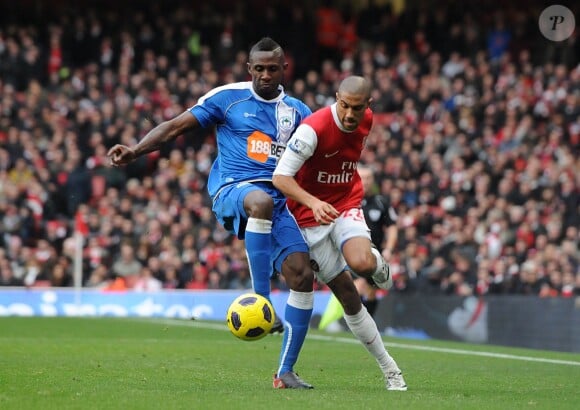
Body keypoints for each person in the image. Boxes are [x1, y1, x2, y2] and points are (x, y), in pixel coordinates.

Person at [108, 37, 315, 389]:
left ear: (284, 69)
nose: (265, 75)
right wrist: (137, 150)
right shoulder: (227, 98)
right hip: (233, 190)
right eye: (259, 68)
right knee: (259, 202)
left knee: (302, 275)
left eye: (272, 68)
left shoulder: (299, 112)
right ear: (249, 69)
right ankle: (260, 298)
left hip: (278, 202)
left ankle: (285, 372)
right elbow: (174, 126)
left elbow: (318, 157)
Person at [272, 75, 407, 391]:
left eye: (357, 108)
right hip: (310, 217)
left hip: (345, 204)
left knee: (361, 264)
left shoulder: (367, 120)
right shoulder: (313, 129)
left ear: (367, 106)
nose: (349, 114)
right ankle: (391, 369)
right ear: (336, 97)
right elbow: (280, 177)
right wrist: (313, 201)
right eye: (344, 105)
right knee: (348, 295)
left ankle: (375, 264)